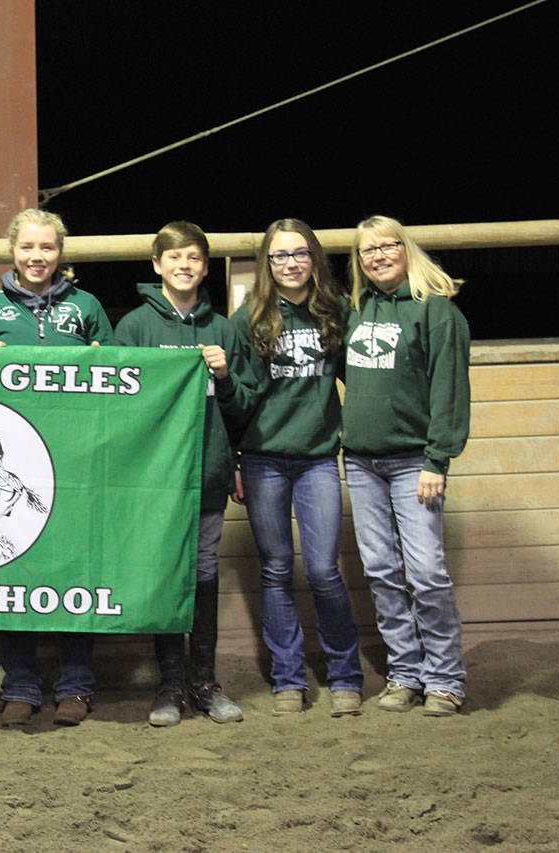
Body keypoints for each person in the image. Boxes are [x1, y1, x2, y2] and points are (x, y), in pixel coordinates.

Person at [0, 208, 113, 726]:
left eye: (47, 248)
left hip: (75, 460)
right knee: (14, 568)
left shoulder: (88, 307)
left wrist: (103, 361)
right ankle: (21, 685)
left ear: (60, 253)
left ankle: (76, 684)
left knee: (76, 566)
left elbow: (118, 382)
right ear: (13, 251)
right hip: (15, 464)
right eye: (27, 247)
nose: (37, 257)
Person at [114, 221, 249, 727]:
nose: (184, 266)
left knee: (204, 571)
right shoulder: (134, 328)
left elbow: (244, 406)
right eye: (174, 257)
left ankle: (206, 681)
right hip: (155, 480)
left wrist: (225, 376)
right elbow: (121, 404)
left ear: (206, 267)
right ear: (157, 265)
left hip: (208, 470)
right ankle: (169, 682)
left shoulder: (225, 329)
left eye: (193, 257)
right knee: (167, 572)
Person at [230, 219, 363, 717]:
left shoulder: (335, 313)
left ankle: (345, 674)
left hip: (317, 460)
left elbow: (362, 379)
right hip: (263, 458)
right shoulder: (250, 317)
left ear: (314, 258)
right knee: (277, 568)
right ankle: (288, 678)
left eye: (300, 253)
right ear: (267, 263)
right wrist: (235, 460)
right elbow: (237, 399)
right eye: (280, 255)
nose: (291, 263)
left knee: (325, 570)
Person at [343, 214, 470, 716]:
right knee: (380, 570)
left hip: (415, 462)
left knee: (426, 572)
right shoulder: (356, 310)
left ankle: (445, 678)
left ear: (406, 248)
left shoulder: (436, 312)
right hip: (361, 462)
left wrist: (438, 458)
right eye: (366, 250)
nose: (377, 256)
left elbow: (449, 390)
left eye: (387, 245)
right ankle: (404, 672)